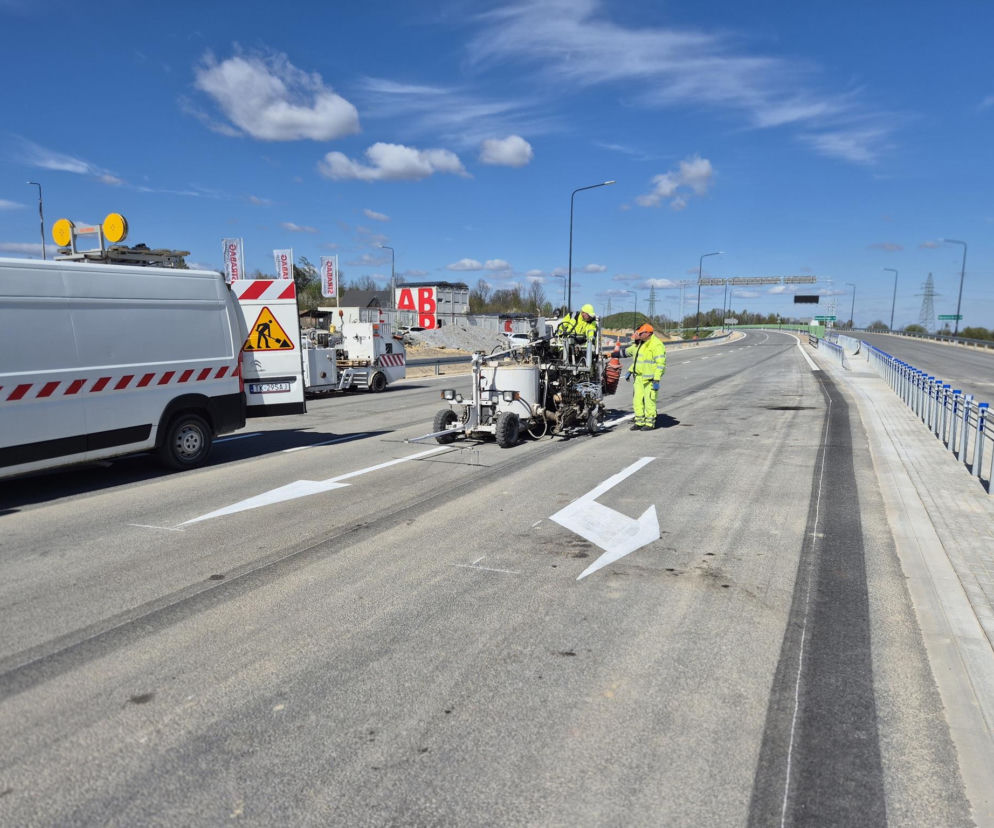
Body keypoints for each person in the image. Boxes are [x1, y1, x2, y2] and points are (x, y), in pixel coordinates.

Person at [625, 323, 666, 430]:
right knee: (637, 401)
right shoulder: (642, 344)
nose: (639, 334)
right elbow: (639, 361)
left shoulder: (656, 345)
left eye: (641, 333)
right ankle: (639, 422)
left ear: (648, 333)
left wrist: (656, 379)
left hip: (650, 379)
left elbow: (660, 364)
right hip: (639, 377)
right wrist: (630, 370)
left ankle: (649, 423)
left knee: (649, 401)